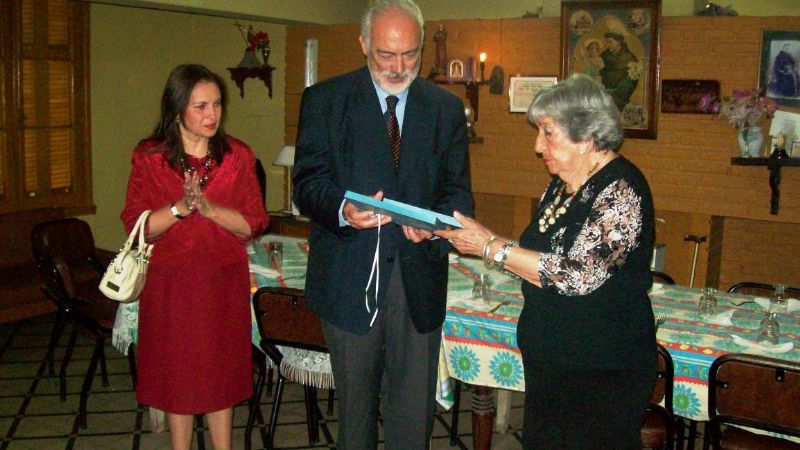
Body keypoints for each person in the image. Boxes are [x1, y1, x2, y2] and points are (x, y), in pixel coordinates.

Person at [437, 74, 656, 449]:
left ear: (586, 137)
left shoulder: (620, 189)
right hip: (553, 360)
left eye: (548, 133)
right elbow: (537, 256)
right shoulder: (562, 185)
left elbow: (577, 275)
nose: (538, 146)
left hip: (600, 366)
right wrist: (485, 239)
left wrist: (489, 246)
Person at [291, 0, 473, 448]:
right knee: (355, 421)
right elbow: (308, 183)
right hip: (349, 280)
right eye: (386, 55)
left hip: (419, 282)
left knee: (413, 420)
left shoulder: (445, 108)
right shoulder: (325, 100)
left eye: (410, 54)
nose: (399, 66)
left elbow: (458, 193)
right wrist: (342, 209)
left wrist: (435, 226)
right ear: (363, 44)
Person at [121, 64, 269, 450]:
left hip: (221, 283)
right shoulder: (150, 157)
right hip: (170, 286)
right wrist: (180, 208)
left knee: (220, 377)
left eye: (217, 104)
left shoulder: (238, 156)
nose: (212, 114)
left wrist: (208, 208)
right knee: (177, 378)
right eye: (200, 106)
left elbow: (253, 224)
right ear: (176, 110)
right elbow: (137, 226)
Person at [600, 32, 639, 110]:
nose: (608, 45)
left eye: (610, 42)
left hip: (620, 97)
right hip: (603, 96)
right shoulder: (604, 56)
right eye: (607, 42)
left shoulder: (628, 57)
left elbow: (631, 80)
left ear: (618, 42)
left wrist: (616, 95)